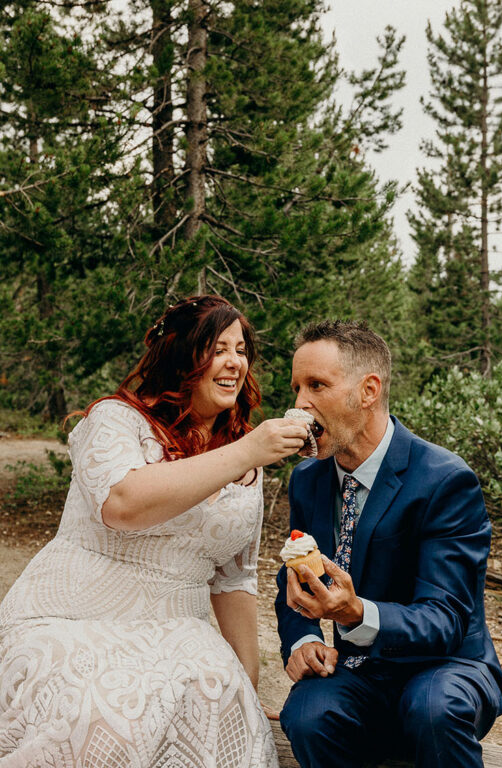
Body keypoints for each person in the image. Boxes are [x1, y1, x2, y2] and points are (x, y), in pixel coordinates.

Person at [0, 295, 310, 767]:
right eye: (217, 348)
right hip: (75, 617)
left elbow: (233, 579)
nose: (234, 362)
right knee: (106, 712)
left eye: (241, 349)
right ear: (181, 355)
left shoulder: (246, 454)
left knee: (218, 694)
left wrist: (246, 680)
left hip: (179, 632)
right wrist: (248, 451)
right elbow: (122, 503)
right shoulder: (115, 420)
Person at [273, 321, 502, 768]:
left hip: (447, 666)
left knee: (431, 710)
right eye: (297, 387)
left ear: (368, 391)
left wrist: (355, 612)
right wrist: (302, 638)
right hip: (359, 668)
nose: (299, 404)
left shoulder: (445, 479)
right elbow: (292, 578)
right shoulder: (306, 479)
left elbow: (447, 620)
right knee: (305, 714)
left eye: (316, 385)